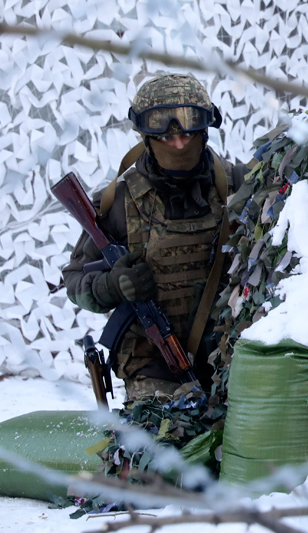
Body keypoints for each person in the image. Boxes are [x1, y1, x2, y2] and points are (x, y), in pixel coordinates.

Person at [62, 74, 246, 402]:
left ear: (206, 127)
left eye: (188, 128)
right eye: (164, 131)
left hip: (234, 356)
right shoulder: (116, 202)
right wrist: (112, 286)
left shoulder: (240, 187)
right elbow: (75, 282)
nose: (178, 143)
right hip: (154, 364)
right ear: (146, 135)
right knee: (168, 439)